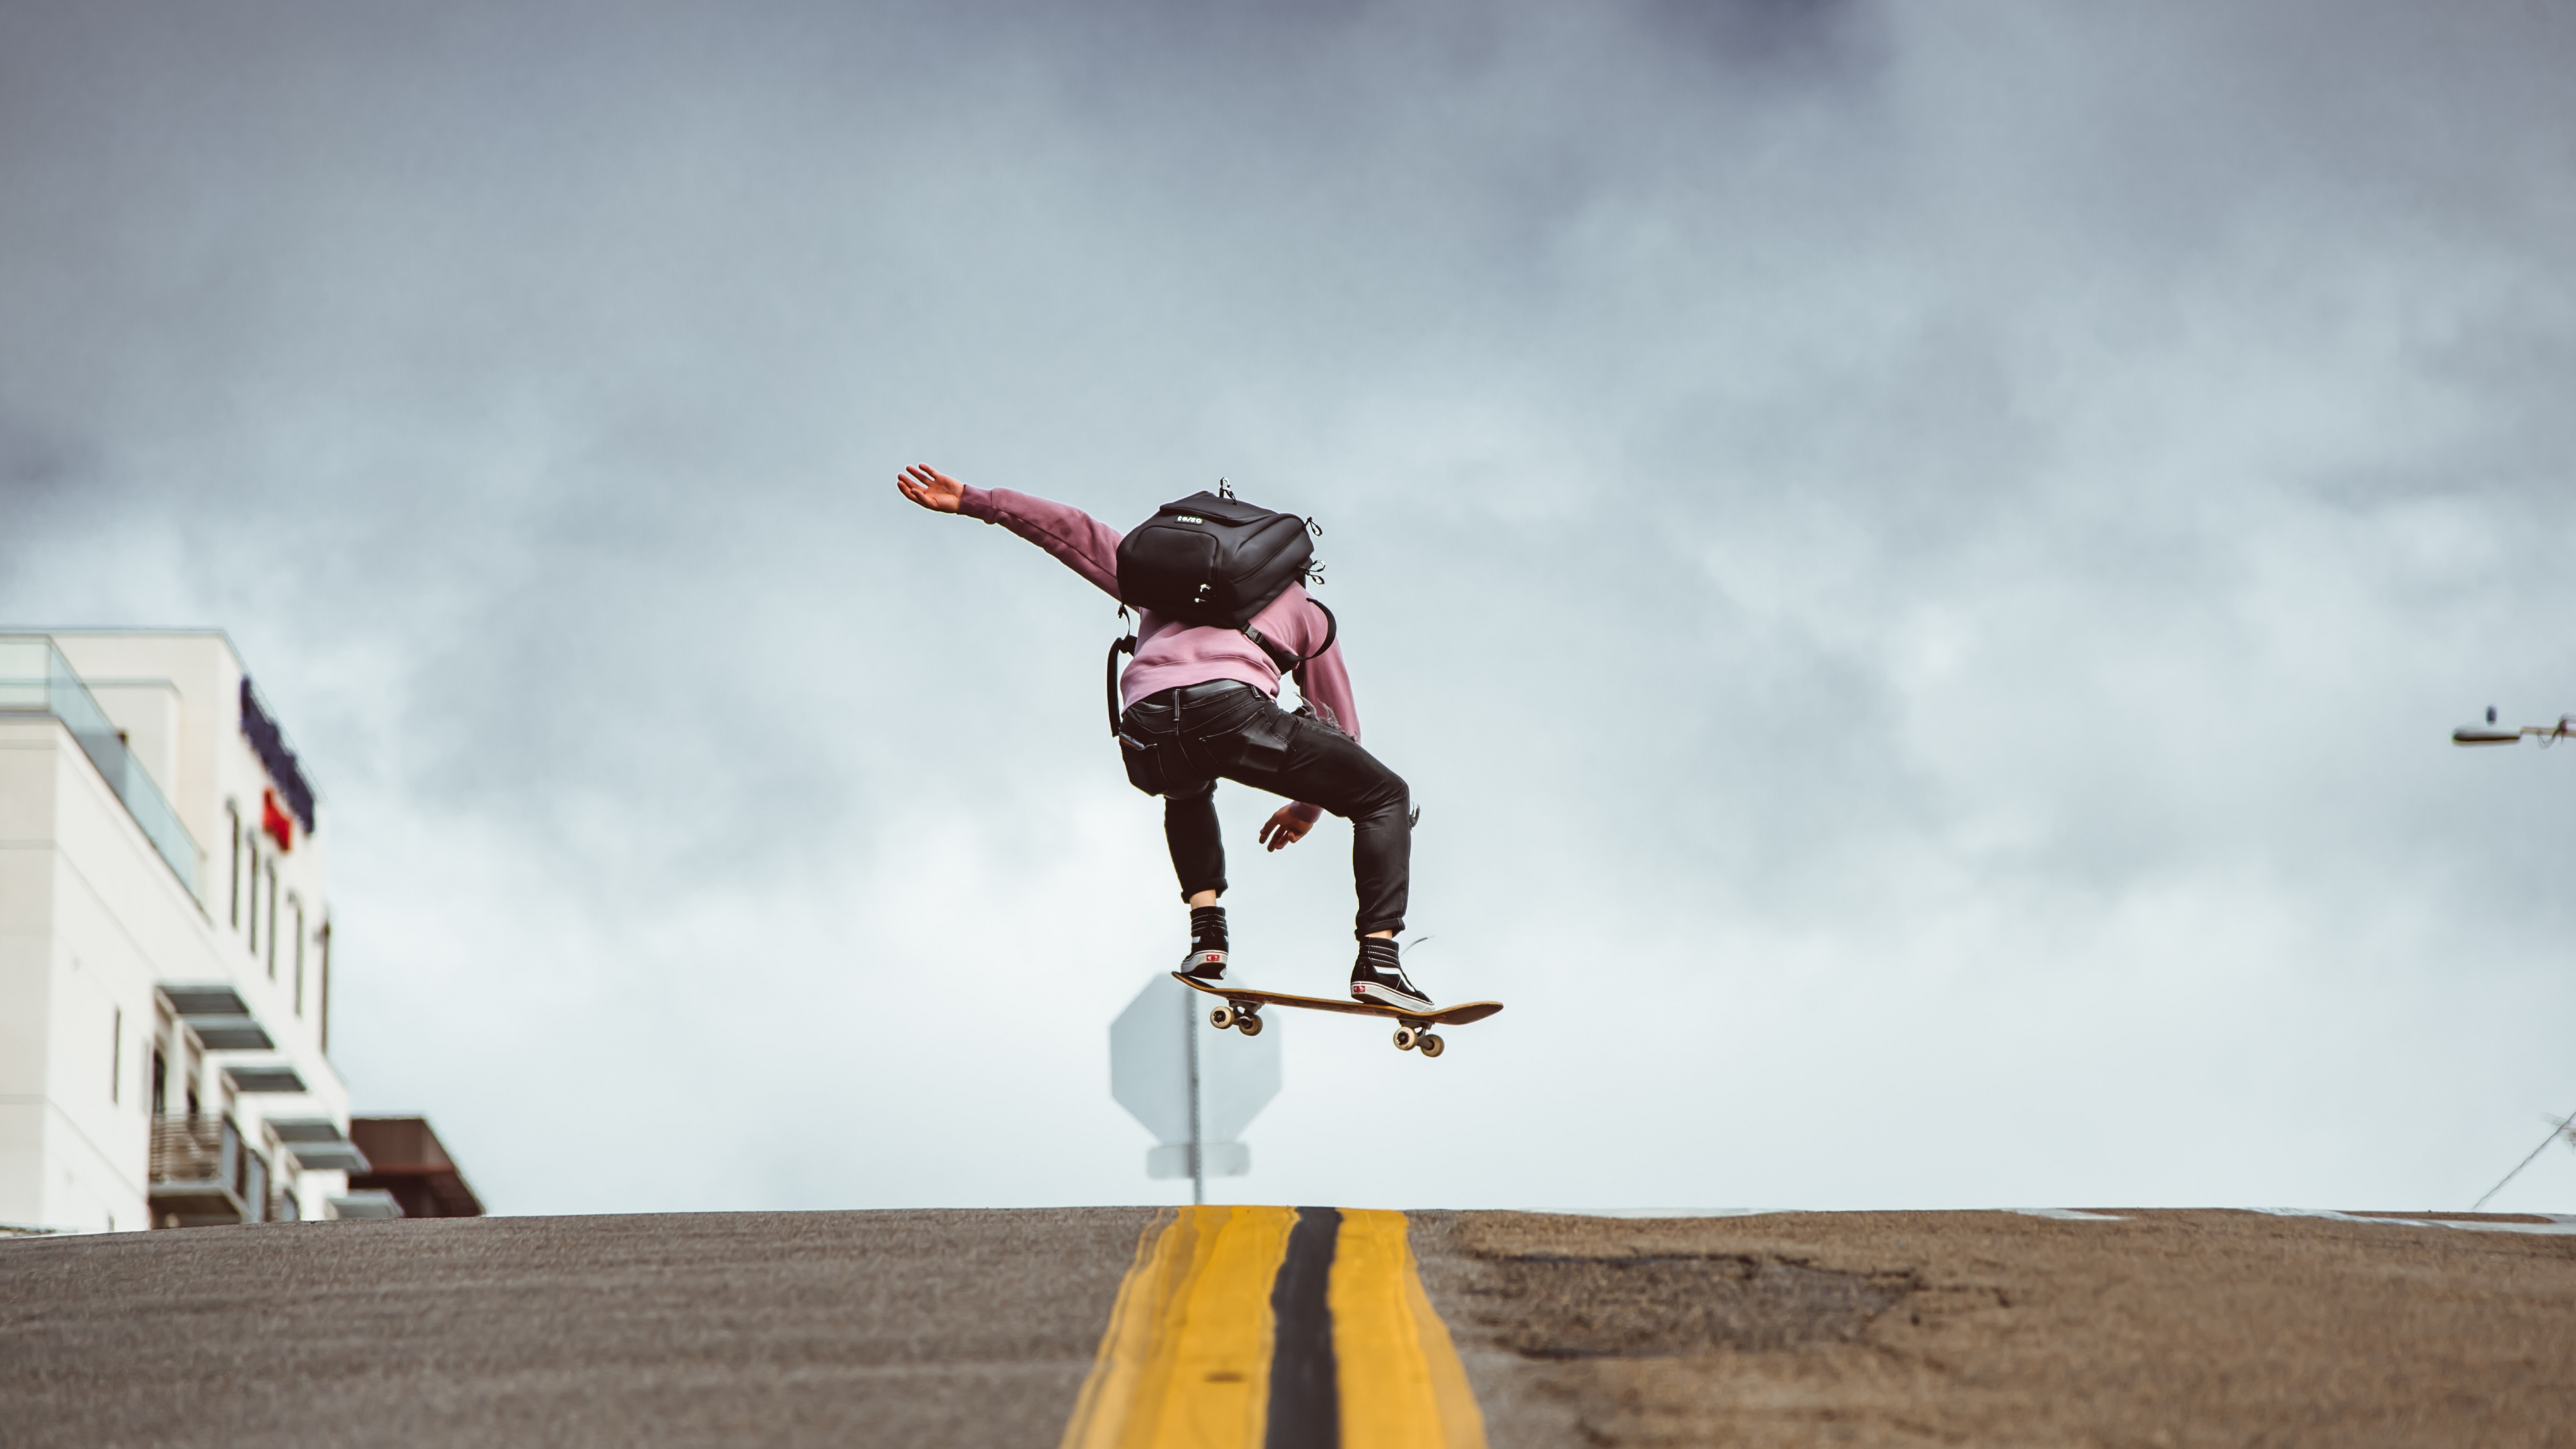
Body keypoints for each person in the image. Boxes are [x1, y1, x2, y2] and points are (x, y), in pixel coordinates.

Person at [895, 463, 1436, 1011]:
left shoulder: (1161, 581)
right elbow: (1342, 729)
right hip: (1230, 713)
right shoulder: (1308, 612)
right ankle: (1379, 963)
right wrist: (1306, 807)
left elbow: (1071, 530)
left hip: (1145, 733)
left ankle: (1207, 941)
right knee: (1384, 795)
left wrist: (977, 500)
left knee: (1186, 782)